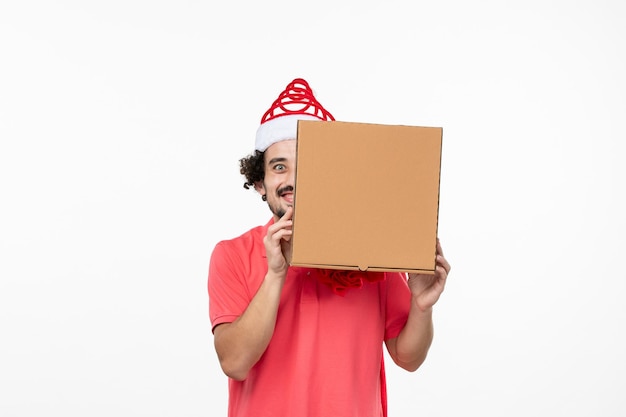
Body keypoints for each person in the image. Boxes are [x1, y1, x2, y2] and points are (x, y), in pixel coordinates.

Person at [208, 78, 451, 417]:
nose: (293, 178)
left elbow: (408, 358)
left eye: (307, 165)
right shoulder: (232, 254)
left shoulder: (372, 250)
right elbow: (234, 362)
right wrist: (277, 274)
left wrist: (421, 306)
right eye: (279, 166)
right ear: (260, 183)